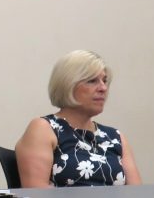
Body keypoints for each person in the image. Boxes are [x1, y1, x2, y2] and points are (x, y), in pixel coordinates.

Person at [14, 50, 141, 188]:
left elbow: (137, 194)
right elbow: (36, 194)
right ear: (68, 84)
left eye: (104, 81)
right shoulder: (44, 129)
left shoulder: (116, 137)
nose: (103, 88)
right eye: (92, 81)